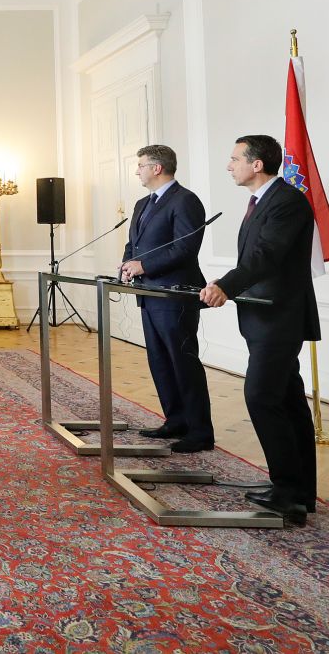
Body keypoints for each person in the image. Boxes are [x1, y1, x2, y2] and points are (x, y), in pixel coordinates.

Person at [199, 134, 320, 526]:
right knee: (287, 399)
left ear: (257, 164)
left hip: (279, 316)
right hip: (261, 315)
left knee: (261, 395)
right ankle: (297, 490)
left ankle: (289, 494)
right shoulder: (262, 201)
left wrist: (224, 286)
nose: (229, 165)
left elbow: (265, 257)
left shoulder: (287, 201)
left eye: (235, 159)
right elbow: (256, 256)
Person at [118, 144, 212, 453]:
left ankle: (200, 431)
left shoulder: (185, 201)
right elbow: (134, 244)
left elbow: (185, 248)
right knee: (159, 361)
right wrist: (127, 266)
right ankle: (176, 420)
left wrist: (143, 265)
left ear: (157, 168)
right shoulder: (142, 203)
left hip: (174, 296)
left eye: (141, 165)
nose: (137, 170)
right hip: (149, 294)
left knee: (182, 362)